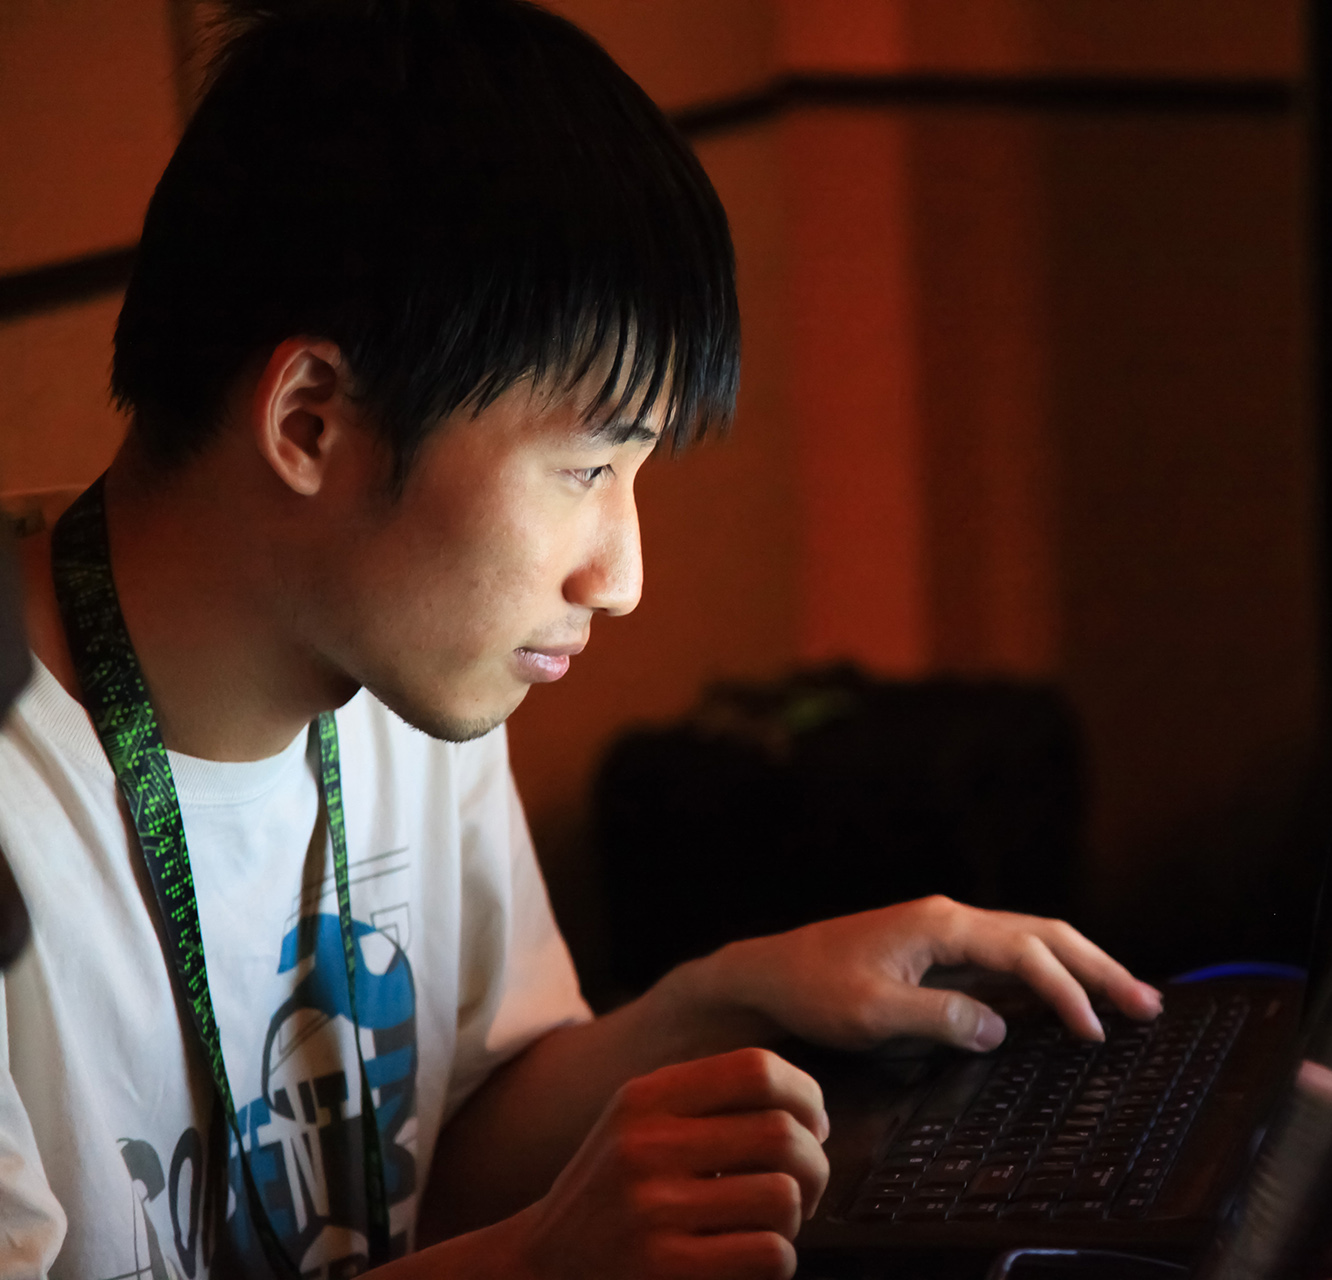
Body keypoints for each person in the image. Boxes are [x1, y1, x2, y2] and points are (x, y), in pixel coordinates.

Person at [0, 2, 1161, 1277]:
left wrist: (728, 995)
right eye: (588, 466)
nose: (622, 578)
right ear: (312, 423)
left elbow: (450, 1150)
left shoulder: (394, 654)